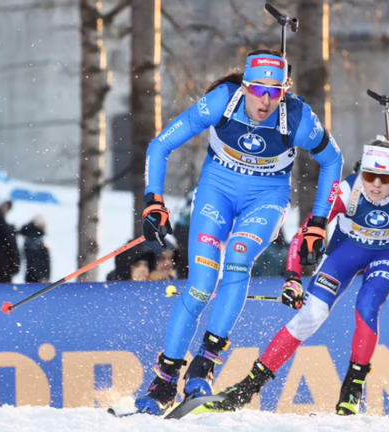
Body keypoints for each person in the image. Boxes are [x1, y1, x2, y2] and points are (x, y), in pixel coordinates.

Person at [135, 48, 343, 415]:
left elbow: (333, 160)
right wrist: (154, 200)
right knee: (200, 286)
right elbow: (160, 145)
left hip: (266, 198)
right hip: (218, 192)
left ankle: (204, 367)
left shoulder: (297, 118)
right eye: (257, 90)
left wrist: (319, 222)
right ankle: (164, 380)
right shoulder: (222, 102)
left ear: (284, 92)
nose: (265, 101)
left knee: (239, 258)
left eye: (275, 92)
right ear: (244, 87)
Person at [205, 136, 389, 416]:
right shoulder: (346, 191)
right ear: (362, 172)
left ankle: (352, 390)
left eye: (384, 178)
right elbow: (307, 232)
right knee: (310, 316)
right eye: (370, 175)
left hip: (387, 255)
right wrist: (293, 278)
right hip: (346, 253)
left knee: (368, 306)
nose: (376, 185)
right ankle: (248, 388)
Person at [19, 216, 51, 283]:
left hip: (30, 275)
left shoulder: (28, 236)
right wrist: (44, 276)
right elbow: (41, 260)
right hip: (36, 276)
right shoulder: (36, 240)